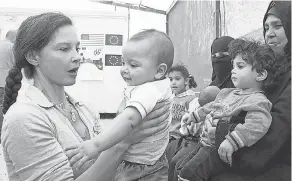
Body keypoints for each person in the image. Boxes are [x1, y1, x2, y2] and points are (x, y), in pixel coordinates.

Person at [1, 13, 169, 181]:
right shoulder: (24, 118)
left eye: (77, 48)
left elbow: (109, 169)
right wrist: (122, 143)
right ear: (32, 57)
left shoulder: (84, 109)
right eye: (64, 49)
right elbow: (111, 156)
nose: (77, 57)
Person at [66, 29, 174, 180]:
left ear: (159, 70)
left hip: (141, 167)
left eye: (133, 65)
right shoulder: (156, 86)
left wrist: (96, 145)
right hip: (149, 161)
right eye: (123, 62)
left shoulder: (149, 90)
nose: (124, 69)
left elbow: (129, 119)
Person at [210, 1, 291, 181]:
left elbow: (276, 131)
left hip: (277, 160)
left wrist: (220, 131)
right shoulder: (273, 69)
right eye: (266, 27)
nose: (269, 33)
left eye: (278, 26)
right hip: (246, 147)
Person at [176, 39, 277, 181]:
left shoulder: (258, 100)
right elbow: (211, 107)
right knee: (180, 166)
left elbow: (257, 125)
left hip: (216, 150)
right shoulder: (228, 92)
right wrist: (194, 115)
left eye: (240, 66)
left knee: (189, 174)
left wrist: (231, 141)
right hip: (204, 143)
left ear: (260, 74)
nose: (233, 70)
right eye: (233, 65)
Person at [166, 64, 198, 181]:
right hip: (167, 136)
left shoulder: (191, 99)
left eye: (177, 79)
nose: (173, 82)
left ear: (186, 81)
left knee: (171, 163)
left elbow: (192, 122)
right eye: (171, 79)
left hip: (179, 139)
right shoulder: (171, 97)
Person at [0, 30, 17, 140]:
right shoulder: (11, 48)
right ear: (14, 37)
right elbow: (16, 65)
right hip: (5, 82)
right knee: (5, 108)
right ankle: (4, 134)